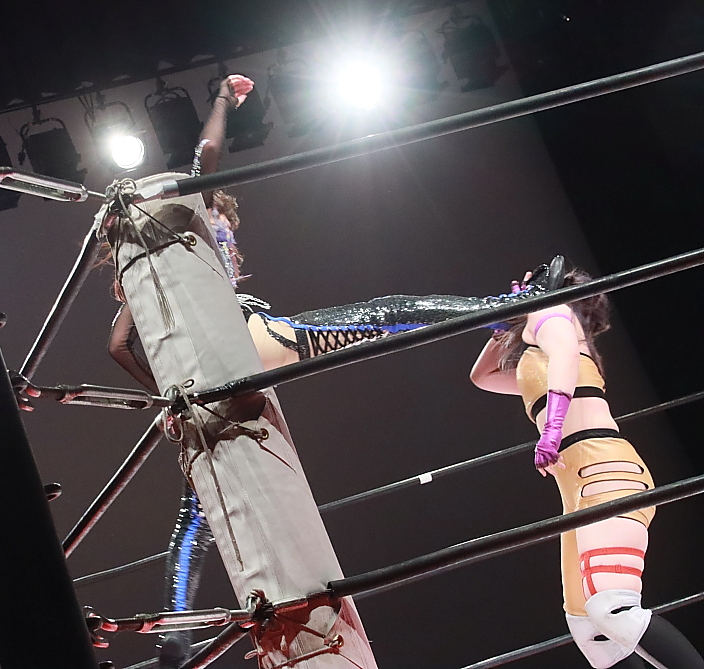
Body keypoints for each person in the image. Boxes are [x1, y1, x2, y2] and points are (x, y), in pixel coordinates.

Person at [104, 74, 568, 668]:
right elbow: (206, 157)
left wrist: (173, 396)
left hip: (205, 375)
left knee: (197, 513)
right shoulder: (189, 219)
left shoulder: (143, 276)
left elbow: (117, 346)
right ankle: (511, 308)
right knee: (387, 313)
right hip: (256, 339)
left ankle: (174, 638)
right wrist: (222, 99)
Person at [469, 266, 704, 669]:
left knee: (612, 608)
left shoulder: (554, 313)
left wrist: (552, 429)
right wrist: (501, 327)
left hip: (605, 471)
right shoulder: (538, 346)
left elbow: (562, 359)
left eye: (529, 282)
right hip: (579, 486)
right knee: (591, 632)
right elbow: (483, 377)